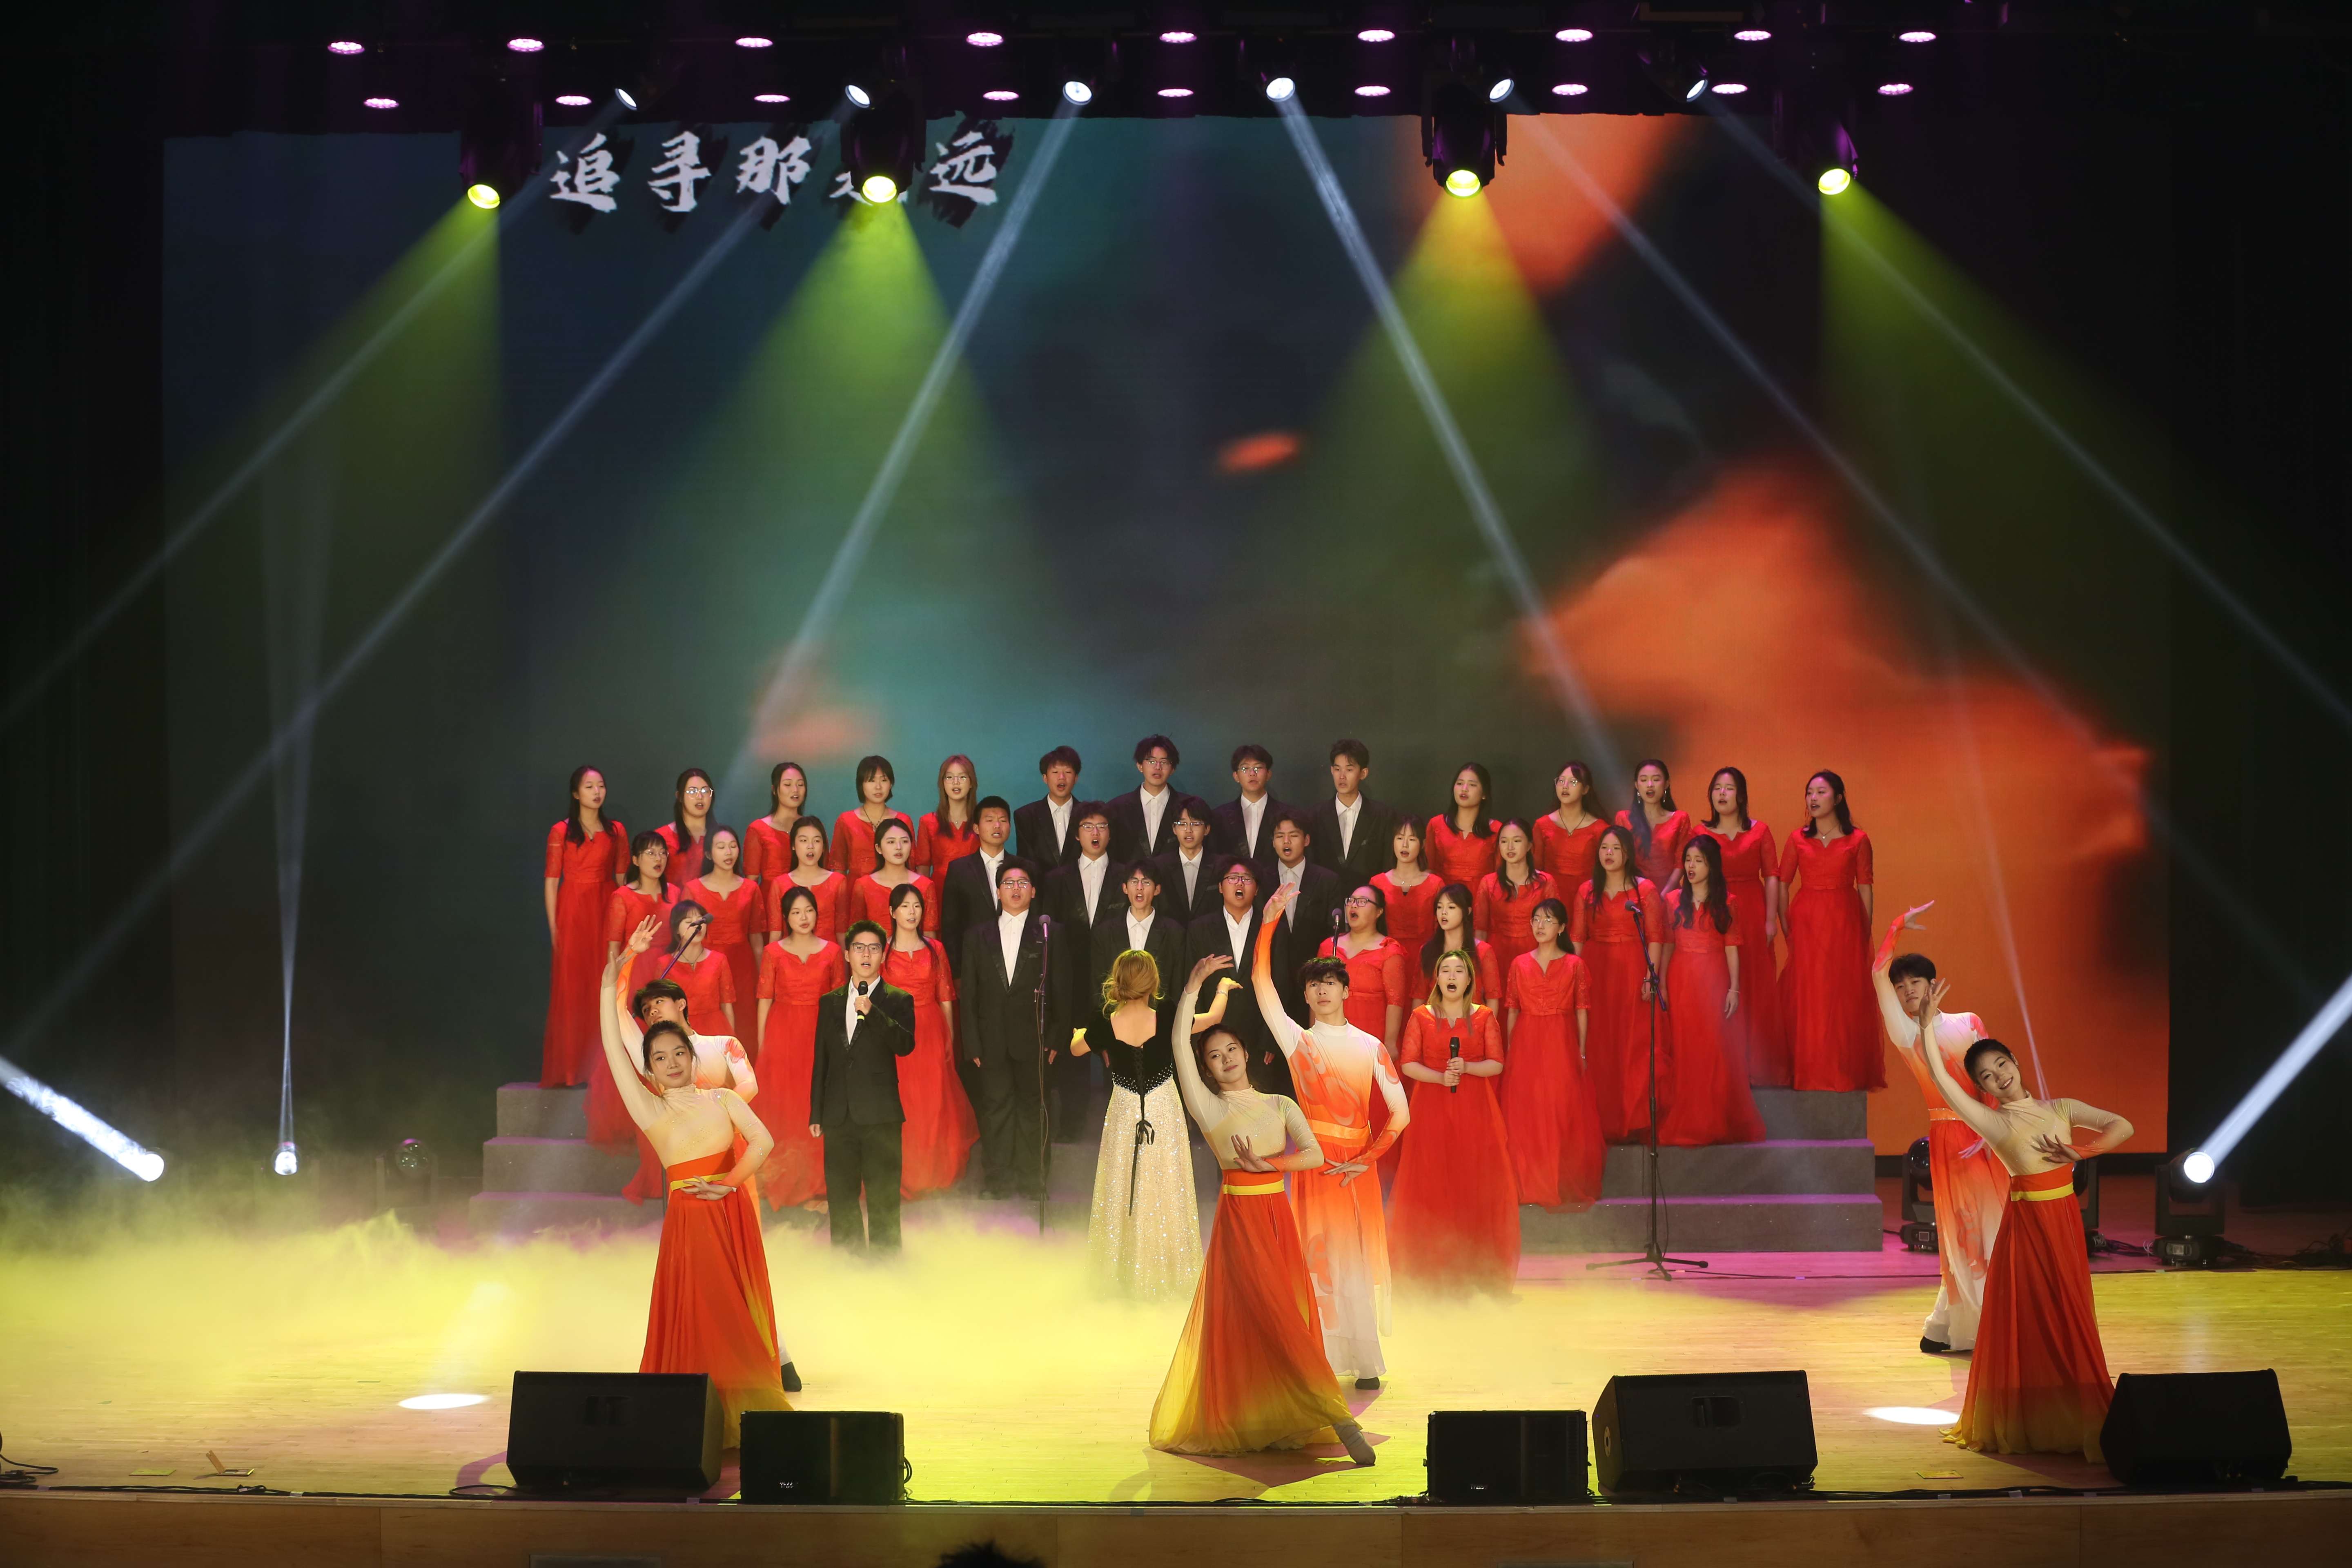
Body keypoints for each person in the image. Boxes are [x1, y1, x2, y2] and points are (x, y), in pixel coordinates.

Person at [1149, 955, 1375, 1466]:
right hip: (1240, 1227)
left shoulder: (1280, 1105)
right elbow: (1178, 1043)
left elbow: (1314, 1155)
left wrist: (1269, 1164)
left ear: (1246, 1053)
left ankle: (1281, 1415)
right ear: (1206, 1069)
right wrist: (1193, 987)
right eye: (1214, 1056)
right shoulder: (1210, 1108)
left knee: (1287, 1316)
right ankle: (1341, 1418)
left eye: (1231, 1049)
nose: (1225, 1059)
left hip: (1278, 1220)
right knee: (1265, 1319)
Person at [597, 935, 788, 1444]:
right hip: (691, 1220)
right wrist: (616, 972)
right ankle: (693, 1419)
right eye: (660, 1058)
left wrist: (728, 1186)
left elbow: (764, 1142)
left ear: (690, 1053)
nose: (673, 1062)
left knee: (739, 1311)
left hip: (730, 1212)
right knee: (704, 1313)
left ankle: (741, 1413)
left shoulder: (723, 1097)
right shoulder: (651, 1110)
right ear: (651, 1070)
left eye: (679, 1052)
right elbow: (613, 1043)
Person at [1922, 1017, 2130, 1461]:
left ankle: (2073, 1411)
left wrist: (2083, 1152)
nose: (1999, 1076)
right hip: (2027, 1229)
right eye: (1987, 1076)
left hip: (2065, 1223)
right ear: (1982, 1088)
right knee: (2032, 1318)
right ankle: (2030, 1417)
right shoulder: (1993, 1122)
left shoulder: (2062, 1108)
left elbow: (2122, 1125)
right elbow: (1942, 1081)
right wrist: (1925, 1027)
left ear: (2015, 1061)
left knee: (2070, 1314)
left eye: (2002, 1064)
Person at [1252, 886, 1410, 1389]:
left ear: (1346, 992)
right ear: (1305, 996)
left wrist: (1367, 1159)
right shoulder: (1297, 1041)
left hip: (1353, 1168)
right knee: (1315, 1258)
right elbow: (1260, 983)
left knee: (1353, 1262)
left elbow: (1401, 1114)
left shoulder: (1370, 1046)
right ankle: (1315, 1357)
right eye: (1314, 986)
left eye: (1330, 984)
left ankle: (1364, 1362)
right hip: (1313, 1162)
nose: (1322, 991)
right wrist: (1269, 922)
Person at [1873, 902, 2007, 1355]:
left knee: (1993, 1228)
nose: (1907, 990)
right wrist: (1896, 927)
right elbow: (1877, 972)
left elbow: (1993, 1079)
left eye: (1915, 982)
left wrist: (1994, 1131)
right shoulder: (1907, 1034)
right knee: (1966, 1233)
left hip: (1990, 1135)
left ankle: (1944, 1326)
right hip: (1950, 1139)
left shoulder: (1969, 1022)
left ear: (1933, 984)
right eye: (1900, 986)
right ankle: (1973, 1326)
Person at [1069, 948, 1204, 1299]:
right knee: (1166, 1183)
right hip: (1164, 1107)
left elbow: (1076, 1049)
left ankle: (1123, 1272)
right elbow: (1209, 1019)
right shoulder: (1169, 1013)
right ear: (1152, 982)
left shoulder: (1105, 1021)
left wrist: (1079, 1033)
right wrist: (1221, 992)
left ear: (1118, 981)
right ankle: (1167, 1271)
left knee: (1121, 1183)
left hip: (1125, 1109)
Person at [1392, 951, 1520, 1291]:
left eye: (1459, 970)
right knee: (1432, 1180)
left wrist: (1467, 1067)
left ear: (1469, 980)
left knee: (1472, 1181)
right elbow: (1408, 1063)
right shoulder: (1421, 1016)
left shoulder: (1484, 1016)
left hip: (1475, 1109)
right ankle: (1430, 1270)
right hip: (1431, 1107)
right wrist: (1440, 1078)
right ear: (1437, 978)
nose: (1451, 976)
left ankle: (1475, 1270)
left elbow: (1497, 1063)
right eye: (1445, 970)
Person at [809, 920, 918, 1252]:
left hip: (881, 1115)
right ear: (847, 954)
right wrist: (817, 1112)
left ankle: (886, 1266)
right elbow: (822, 1060)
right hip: (838, 1114)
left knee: (883, 1196)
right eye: (859, 948)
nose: (866, 955)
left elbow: (905, 1045)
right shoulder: (830, 1001)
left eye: (874, 948)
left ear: (883, 955)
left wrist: (873, 1013)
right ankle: (849, 1262)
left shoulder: (898, 999)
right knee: (841, 1196)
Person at [958, 860, 1061, 1200]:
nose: (1016, 889)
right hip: (991, 1041)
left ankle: (1035, 1181)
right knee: (996, 1109)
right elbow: (969, 994)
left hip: (1036, 1038)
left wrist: (1056, 1036)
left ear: (1034, 891)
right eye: (1009, 883)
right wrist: (971, 1042)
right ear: (998, 892)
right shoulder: (977, 935)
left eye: (1023, 883)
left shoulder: (1049, 933)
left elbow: (1062, 988)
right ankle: (998, 1180)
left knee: (1034, 1110)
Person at [1655, 836, 1766, 1147]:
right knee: (1685, 1047)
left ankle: (1714, 1118)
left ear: (1712, 866)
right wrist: (1661, 981)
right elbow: (1667, 944)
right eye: (1688, 860)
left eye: (1699, 861)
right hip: (1681, 977)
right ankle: (1688, 1116)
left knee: (1715, 1047)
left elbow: (1732, 947)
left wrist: (1734, 988)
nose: (1691, 866)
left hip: (1715, 978)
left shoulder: (1728, 902)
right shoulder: (1672, 900)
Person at [1777, 769, 1883, 1092]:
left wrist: (1863, 931)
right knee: (1809, 994)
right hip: (1807, 922)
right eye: (1809, 793)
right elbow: (1782, 884)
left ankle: (1839, 1071)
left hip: (1844, 922)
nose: (1813, 798)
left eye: (1821, 792)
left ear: (1838, 798)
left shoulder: (1858, 840)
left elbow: (1865, 888)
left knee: (1840, 996)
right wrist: (1786, 924)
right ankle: (1807, 1070)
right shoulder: (1797, 838)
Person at [1501, 902, 1602, 1210]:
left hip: (1561, 1040)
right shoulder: (1519, 964)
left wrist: (1581, 1051)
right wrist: (1511, 1049)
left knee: (1559, 1110)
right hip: (1526, 1041)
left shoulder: (1574, 965)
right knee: (1527, 1113)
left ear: (1562, 928)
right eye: (1536, 920)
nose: (1540, 925)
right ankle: (1529, 1182)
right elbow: (1513, 1009)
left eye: (1548, 920)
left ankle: (1556, 1180)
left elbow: (1582, 1010)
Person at [1572, 825, 1666, 1144]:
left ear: (1628, 854)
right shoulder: (1587, 891)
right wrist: (1573, 979)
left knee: (1632, 1044)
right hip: (1596, 970)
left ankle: (1633, 1119)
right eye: (1604, 848)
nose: (1609, 854)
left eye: (1616, 848)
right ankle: (1602, 1119)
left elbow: (1656, 937)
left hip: (1633, 970)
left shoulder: (1644, 891)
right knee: (1601, 1043)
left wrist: (1650, 976)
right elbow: (1578, 938)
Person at [884, 884, 978, 1200]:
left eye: (917, 906)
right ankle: (905, 1172)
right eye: (905, 906)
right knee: (903, 1101)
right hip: (896, 1032)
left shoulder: (935, 949)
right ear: (892, 912)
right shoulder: (881, 950)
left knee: (933, 1100)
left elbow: (946, 995)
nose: (912, 912)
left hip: (931, 1027)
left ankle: (932, 1171)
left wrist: (949, 1036)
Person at [1695, 766, 1788, 1087]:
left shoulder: (1760, 832)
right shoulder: (1701, 833)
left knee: (1755, 986)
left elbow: (1772, 876)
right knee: (1720, 985)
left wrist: (1770, 919)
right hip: (1715, 912)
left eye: (1729, 788)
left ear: (1742, 796)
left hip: (1752, 912)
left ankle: (1757, 1065)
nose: (1722, 794)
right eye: (1717, 788)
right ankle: (1725, 1064)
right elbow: (1692, 876)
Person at [753, 885, 842, 1211]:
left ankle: (818, 1181)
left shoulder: (833, 952)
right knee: (787, 1106)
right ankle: (787, 1177)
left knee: (816, 1102)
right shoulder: (773, 952)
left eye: (809, 911)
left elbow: (839, 1002)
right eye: (796, 912)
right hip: (783, 1035)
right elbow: (765, 1000)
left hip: (820, 1033)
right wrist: (764, 1044)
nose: (804, 918)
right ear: (785, 917)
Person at [543, 765, 627, 1087]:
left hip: (605, 906)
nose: (597, 792)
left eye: (601, 785)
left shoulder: (616, 831)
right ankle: (571, 1068)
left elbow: (622, 881)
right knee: (573, 987)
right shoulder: (561, 831)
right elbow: (552, 882)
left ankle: (604, 1069)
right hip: (573, 911)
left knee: (603, 984)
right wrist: (554, 927)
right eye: (589, 786)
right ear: (576, 793)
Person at [1043, 802, 1118, 1138]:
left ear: (1110, 834)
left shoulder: (1126, 877)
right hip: (1071, 977)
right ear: (1077, 835)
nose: (1095, 833)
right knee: (1074, 1049)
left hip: (1114, 978)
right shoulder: (1057, 879)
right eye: (1088, 827)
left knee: (1116, 1048)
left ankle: (1119, 1129)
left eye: (1102, 826)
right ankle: (1071, 1127)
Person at [1187, 859, 1284, 1098]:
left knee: (1260, 1104)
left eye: (1247, 879)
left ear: (1257, 889)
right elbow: (1191, 985)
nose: (1240, 883)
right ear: (1221, 887)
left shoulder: (1271, 927)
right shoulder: (1200, 928)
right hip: (1213, 1036)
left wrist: (1272, 1037)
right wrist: (1198, 1037)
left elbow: (1282, 981)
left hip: (1259, 1036)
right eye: (1233, 878)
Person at [1262, 809, 1344, 1027]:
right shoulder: (1261, 878)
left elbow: (1334, 932)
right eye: (1280, 836)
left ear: (1306, 840)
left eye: (1294, 835)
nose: (1286, 842)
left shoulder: (1327, 880)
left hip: (1314, 977)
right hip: (1270, 976)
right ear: (1273, 842)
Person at [1092, 860, 1189, 1037]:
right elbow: (1098, 984)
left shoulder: (1174, 933)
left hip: (1159, 1027)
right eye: (1134, 882)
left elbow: (1177, 985)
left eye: (1146, 882)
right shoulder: (1105, 933)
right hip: (1115, 1027)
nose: (1139, 888)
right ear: (1125, 888)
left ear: (1157, 890)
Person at [1316, 884, 1409, 1062]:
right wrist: (1314, 1034)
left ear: (1379, 912)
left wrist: (1390, 1043)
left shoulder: (1389, 951)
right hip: (1333, 1037)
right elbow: (1316, 993)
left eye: (1362, 902)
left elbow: (1395, 1002)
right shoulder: (1329, 947)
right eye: (1350, 901)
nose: (1354, 905)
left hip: (1372, 1040)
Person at [1307, 738, 1401, 888]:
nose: (1342, 776)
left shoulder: (1383, 816)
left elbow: (1388, 865)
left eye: (1349, 770)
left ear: (1363, 773)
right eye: (1337, 769)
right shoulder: (1315, 816)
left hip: (1369, 897)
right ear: (1332, 771)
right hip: (1325, 898)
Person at [940, 795, 1013, 984]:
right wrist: (956, 974)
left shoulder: (1023, 868)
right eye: (989, 820)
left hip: (1015, 963)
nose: (997, 826)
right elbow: (951, 926)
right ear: (976, 828)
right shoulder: (959, 869)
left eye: (1003, 820)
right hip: (973, 965)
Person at [687, 825, 762, 1010]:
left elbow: (756, 937)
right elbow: (686, 938)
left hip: (743, 964)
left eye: (733, 846)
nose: (729, 852)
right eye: (721, 847)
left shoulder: (751, 889)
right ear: (708, 854)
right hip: (706, 963)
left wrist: (763, 976)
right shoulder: (693, 889)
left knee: (744, 1015)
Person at [1474, 818, 1559, 975]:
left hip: (1535, 954)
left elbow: (1553, 927)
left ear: (1529, 846)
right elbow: (1480, 931)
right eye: (1504, 841)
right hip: (1496, 955)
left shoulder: (1546, 883)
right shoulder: (1489, 883)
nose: (1510, 847)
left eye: (1517, 841)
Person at [761, 816, 851, 946]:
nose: (811, 847)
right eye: (804, 841)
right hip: (790, 956)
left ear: (824, 846)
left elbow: (841, 933)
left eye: (817, 841)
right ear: (793, 845)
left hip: (829, 956)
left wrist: (843, 959)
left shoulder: (838, 882)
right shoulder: (780, 884)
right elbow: (776, 934)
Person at [1371, 819, 1439, 984]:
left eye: (1412, 839)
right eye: (1400, 838)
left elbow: (1441, 930)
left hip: (1426, 961)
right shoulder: (1378, 883)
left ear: (1423, 844)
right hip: (1387, 959)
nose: (1405, 845)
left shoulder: (1435, 884)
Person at [851, 817, 941, 938]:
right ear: (879, 848)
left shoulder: (925, 885)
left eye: (905, 841)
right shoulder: (864, 885)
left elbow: (929, 934)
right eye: (891, 842)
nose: (899, 847)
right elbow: (857, 932)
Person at [1532, 760, 1606, 904]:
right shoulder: (1542, 826)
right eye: (1561, 781)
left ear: (1586, 789)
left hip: (1588, 899)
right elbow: (1536, 870)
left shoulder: (1600, 829)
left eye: (1573, 782)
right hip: (1551, 901)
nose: (1565, 786)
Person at [826, 755, 912, 879]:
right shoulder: (846, 821)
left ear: (891, 784)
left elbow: (911, 866)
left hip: (896, 888)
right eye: (872, 781)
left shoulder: (903, 821)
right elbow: (839, 868)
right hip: (855, 889)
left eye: (884, 780)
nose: (878, 787)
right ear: (861, 784)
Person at [1208, 743, 1288, 875]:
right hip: (1234, 884)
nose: (1252, 774)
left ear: (1268, 774)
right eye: (1245, 769)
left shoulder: (1286, 814)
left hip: (1276, 884)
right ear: (1236, 776)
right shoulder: (1219, 816)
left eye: (1258, 768)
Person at [1109, 734, 1188, 865]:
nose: (1158, 767)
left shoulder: (1187, 806)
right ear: (1140, 766)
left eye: (1164, 762)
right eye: (1151, 762)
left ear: (1172, 769)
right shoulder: (1117, 808)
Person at [1615, 758, 1691, 893]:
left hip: (1669, 893)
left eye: (1656, 780)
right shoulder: (1623, 819)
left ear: (1666, 784)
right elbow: (1620, 861)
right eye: (1644, 780)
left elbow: (1681, 862)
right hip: (1634, 891)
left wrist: (1664, 895)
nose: (1650, 785)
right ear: (1637, 785)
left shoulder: (1680, 819)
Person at [1421, 882, 1502, 1004]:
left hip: (1472, 1016)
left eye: (1451, 907)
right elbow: (1419, 996)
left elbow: (1492, 998)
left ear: (1467, 911)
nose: (1443, 912)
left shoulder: (1483, 951)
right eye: (1440, 907)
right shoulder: (1428, 950)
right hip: (1436, 1015)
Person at [605, 831, 678, 962]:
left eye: (663, 853)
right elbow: (614, 947)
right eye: (651, 853)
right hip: (635, 965)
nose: (659, 859)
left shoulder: (674, 892)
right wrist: (614, 973)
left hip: (669, 965)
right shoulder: (622, 896)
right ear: (636, 860)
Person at [1149, 798, 1224, 924]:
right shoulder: (1159, 866)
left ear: (1207, 829)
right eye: (1182, 824)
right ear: (1174, 829)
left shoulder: (1221, 866)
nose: (1189, 830)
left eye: (1196, 824)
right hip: (1170, 934)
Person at [1425, 763, 1500, 888]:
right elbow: (1428, 871)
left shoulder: (1497, 830)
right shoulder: (1436, 825)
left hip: (1482, 896)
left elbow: (1500, 879)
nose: (1464, 789)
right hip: (1443, 897)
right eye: (1460, 783)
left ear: (1484, 794)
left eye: (1472, 785)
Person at [913, 754, 982, 884]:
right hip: (939, 890)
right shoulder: (928, 822)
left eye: (962, 777)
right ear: (943, 783)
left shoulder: (982, 821)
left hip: (975, 890)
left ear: (972, 783)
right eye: (949, 777)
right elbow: (923, 868)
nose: (956, 782)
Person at [740, 761, 811, 887]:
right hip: (770, 898)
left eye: (800, 785)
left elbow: (824, 872)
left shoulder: (812, 828)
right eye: (788, 785)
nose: (795, 790)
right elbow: (752, 881)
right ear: (774, 790)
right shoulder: (757, 829)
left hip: (806, 898)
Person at [1014, 745, 1082, 871]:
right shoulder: (1026, 816)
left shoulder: (1087, 815)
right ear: (1045, 778)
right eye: (1055, 772)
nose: (1062, 777)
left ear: (1076, 778)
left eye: (1068, 772)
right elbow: (1026, 862)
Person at [657, 768, 717, 889]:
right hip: (672, 901)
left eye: (705, 791)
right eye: (692, 791)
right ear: (679, 796)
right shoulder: (661, 838)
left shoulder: (721, 838)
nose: (700, 797)